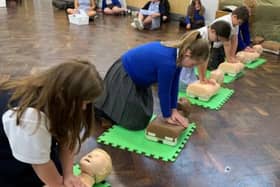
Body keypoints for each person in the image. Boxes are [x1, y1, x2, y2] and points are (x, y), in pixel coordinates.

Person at [0, 60, 103, 187]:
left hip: (30, 140)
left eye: (87, 102)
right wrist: (58, 184)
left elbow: (67, 138)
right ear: (63, 93)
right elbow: (40, 164)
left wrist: (68, 174)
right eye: (82, 101)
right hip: (6, 155)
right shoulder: (30, 118)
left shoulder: (59, 98)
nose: (83, 107)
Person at [95, 31, 210, 130]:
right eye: (194, 64)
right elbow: (164, 92)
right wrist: (167, 116)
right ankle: (101, 111)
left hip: (138, 81)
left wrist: (173, 109)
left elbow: (174, 85)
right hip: (123, 77)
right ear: (188, 53)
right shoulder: (168, 63)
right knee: (135, 123)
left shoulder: (178, 56)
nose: (192, 67)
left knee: (143, 116)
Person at [179, 20, 232, 91]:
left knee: (192, 81)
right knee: (183, 85)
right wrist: (202, 79)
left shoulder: (209, 37)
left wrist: (203, 78)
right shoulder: (202, 36)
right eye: (218, 39)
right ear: (213, 31)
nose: (217, 42)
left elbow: (205, 59)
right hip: (184, 61)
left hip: (190, 62)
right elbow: (200, 62)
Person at [208, 6, 249, 70]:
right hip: (212, 45)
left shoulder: (236, 24)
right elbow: (226, 43)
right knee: (213, 67)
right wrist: (229, 59)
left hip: (220, 45)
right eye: (239, 22)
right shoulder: (227, 22)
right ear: (234, 16)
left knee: (222, 63)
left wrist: (232, 56)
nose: (239, 24)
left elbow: (235, 40)